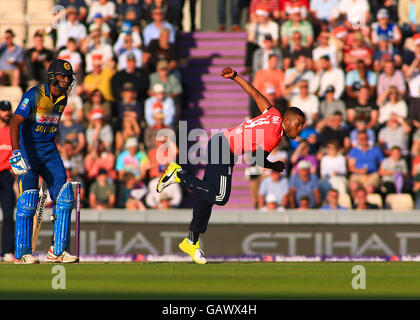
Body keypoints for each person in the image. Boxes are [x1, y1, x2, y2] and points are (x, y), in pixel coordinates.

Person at [156, 66, 306, 264]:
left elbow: (255, 93)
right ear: (287, 121)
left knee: (206, 197)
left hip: (221, 142)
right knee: (219, 196)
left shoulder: (274, 114)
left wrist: (235, 76)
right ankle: (178, 174)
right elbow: (256, 160)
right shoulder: (274, 136)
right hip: (224, 149)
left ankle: (191, 241)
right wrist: (274, 166)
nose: (301, 129)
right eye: (299, 124)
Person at [9, 59, 78, 264]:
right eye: (62, 76)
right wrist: (16, 153)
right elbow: (15, 122)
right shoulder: (34, 94)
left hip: (49, 150)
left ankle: (58, 250)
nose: (66, 80)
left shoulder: (63, 98)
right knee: (29, 199)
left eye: (68, 77)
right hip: (28, 151)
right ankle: (22, 253)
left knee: (65, 196)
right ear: (51, 77)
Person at [0, 101, 16, 262]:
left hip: (5, 175)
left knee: (8, 213)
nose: (6, 112)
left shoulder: (13, 131)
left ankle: (7, 251)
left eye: (8, 110)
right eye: (3, 110)